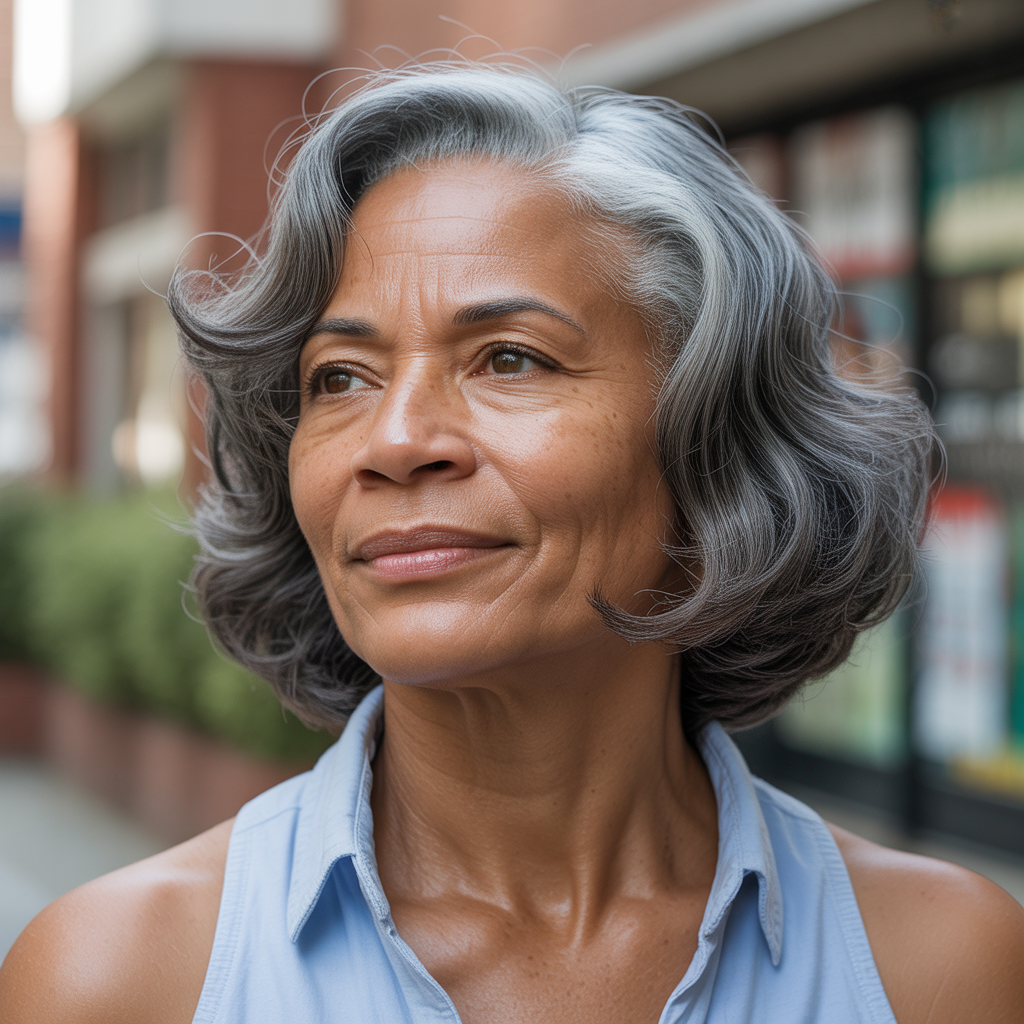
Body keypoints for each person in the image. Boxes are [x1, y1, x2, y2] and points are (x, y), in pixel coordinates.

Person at [3, 64, 1024, 1024]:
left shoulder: (938, 971)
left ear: (715, 443)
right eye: (341, 376)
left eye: (508, 358)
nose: (395, 441)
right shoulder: (119, 979)